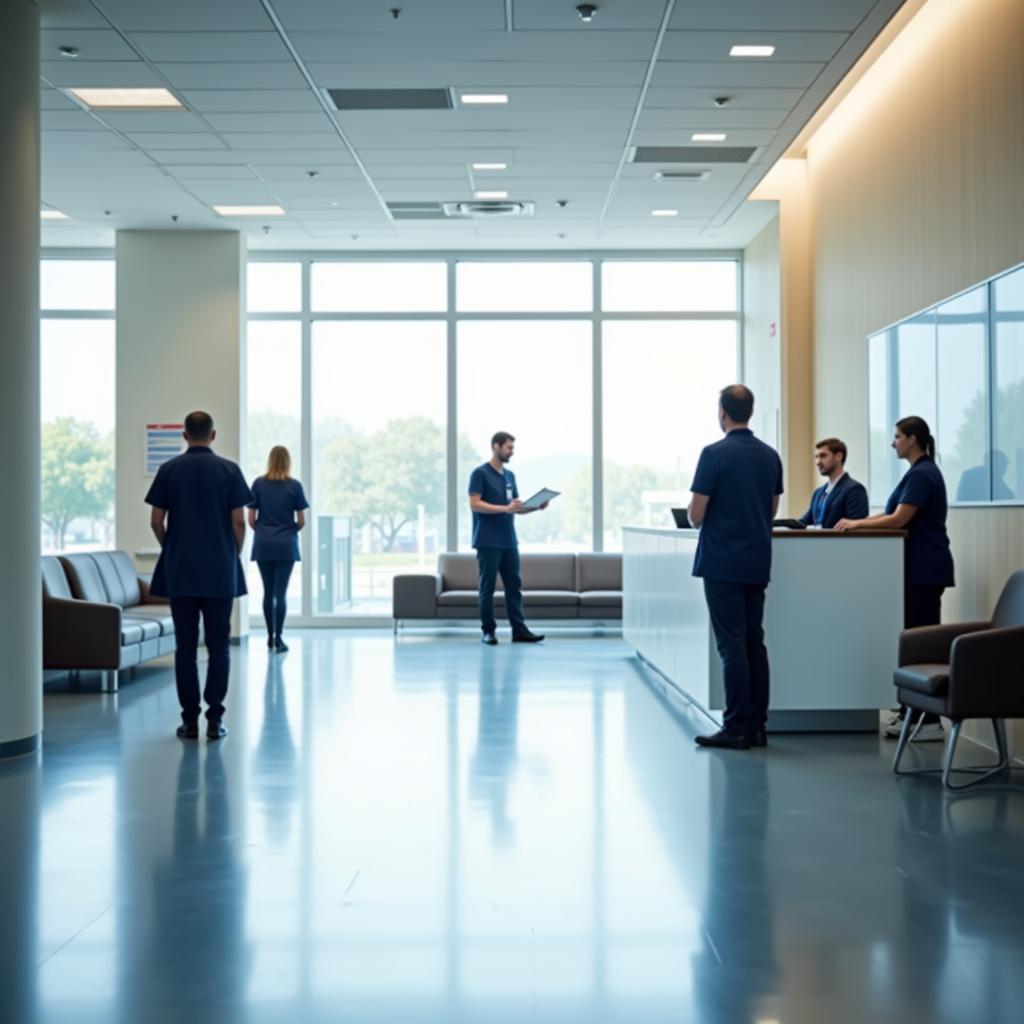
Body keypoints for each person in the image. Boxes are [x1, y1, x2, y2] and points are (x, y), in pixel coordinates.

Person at [836, 415, 955, 742]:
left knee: (923, 641)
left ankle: (928, 720)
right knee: (915, 638)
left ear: (913, 439)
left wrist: (857, 525)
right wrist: (856, 521)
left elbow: (899, 519)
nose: (893, 443)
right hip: (919, 567)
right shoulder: (917, 473)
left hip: (926, 568)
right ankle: (914, 712)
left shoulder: (922, 474)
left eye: (898, 436)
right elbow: (889, 514)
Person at [688, 385, 784, 750]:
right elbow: (772, 510)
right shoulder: (770, 456)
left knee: (731, 646)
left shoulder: (713, 454)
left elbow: (696, 515)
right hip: (757, 560)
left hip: (721, 562)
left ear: (723, 413)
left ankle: (736, 727)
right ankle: (757, 726)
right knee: (754, 642)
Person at [146, 411, 252, 741]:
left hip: (182, 571)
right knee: (219, 645)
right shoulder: (229, 470)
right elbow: (238, 521)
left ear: (184, 435)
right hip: (220, 570)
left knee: (186, 646)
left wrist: (172, 547)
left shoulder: (169, 470)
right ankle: (215, 720)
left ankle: (189, 721)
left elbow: (155, 521)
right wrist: (231, 552)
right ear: (213, 435)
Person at [468, 431, 548, 645]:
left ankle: (519, 630)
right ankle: (488, 631)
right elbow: (475, 504)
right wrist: (505, 507)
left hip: (508, 541)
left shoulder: (510, 476)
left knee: (514, 586)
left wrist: (534, 507)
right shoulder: (480, 474)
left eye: (512, 448)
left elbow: (514, 508)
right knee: (487, 587)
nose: (512, 451)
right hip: (487, 540)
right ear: (496, 446)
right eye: (508, 447)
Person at [248, 445, 308, 653]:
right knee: (280, 594)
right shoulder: (295, 486)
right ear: (288, 462)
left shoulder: (258, 484)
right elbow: (301, 521)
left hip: (264, 543)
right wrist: (288, 531)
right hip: (286, 544)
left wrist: (265, 531)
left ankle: (268, 635)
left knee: (267, 592)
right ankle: (279, 639)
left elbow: (250, 519)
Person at [797, 437, 869, 527]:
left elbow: (857, 529)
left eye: (823, 456)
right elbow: (803, 522)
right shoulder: (818, 493)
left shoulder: (854, 490)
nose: (818, 462)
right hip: (817, 541)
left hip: (840, 541)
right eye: (816, 457)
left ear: (839, 456)